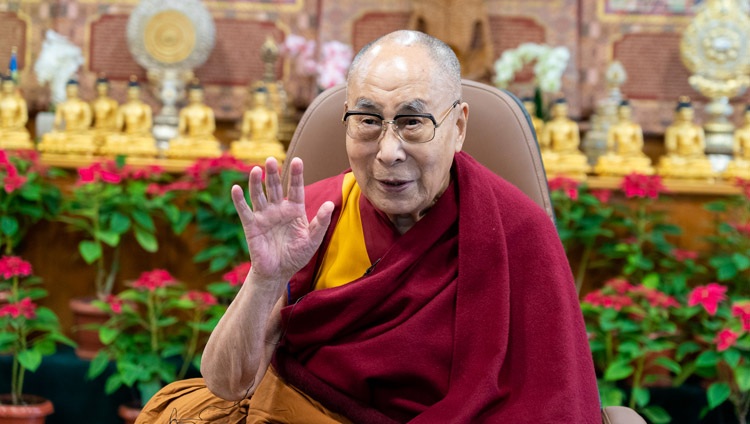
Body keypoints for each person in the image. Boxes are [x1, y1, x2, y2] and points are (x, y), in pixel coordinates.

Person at [138, 30, 600, 423]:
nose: (388, 151)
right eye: (367, 121)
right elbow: (227, 383)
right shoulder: (315, 220)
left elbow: (552, 401)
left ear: (458, 127)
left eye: (412, 122)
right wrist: (266, 279)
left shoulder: (518, 232)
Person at [657, 97, 716, 180]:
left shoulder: (697, 130)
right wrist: (679, 154)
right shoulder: (673, 130)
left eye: (688, 113)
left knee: (703, 164)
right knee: (668, 163)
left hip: (694, 158)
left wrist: (693, 153)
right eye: (684, 113)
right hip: (678, 158)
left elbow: (701, 147)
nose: (686, 115)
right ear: (677, 114)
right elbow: (670, 147)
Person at [594, 100, 654, 176]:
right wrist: (612, 154)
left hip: (632, 157)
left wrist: (632, 151)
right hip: (618, 157)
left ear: (630, 112)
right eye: (622, 111)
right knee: (604, 161)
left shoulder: (635, 128)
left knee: (643, 162)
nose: (624, 113)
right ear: (618, 112)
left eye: (626, 111)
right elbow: (610, 146)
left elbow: (639, 144)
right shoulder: (614, 128)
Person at [101, 78, 158, 157]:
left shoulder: (144, 108)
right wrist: (121, 134)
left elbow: (147, 126)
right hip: (126, 136)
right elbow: (118, 126)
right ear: (127, 92)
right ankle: (120, 163)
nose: (132, 94)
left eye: (134, 92)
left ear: (139, 92)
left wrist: (138, 134)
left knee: (149, 142)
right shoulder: (123, 108)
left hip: (139, 137)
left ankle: (137, 159)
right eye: (131, 92)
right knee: (112, 140)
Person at [164, 80, 221, 159]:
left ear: (202, 95)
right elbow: (182, 129)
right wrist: (182, 137)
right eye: (193, 94)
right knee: (176, 143)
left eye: (197, 94)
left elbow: (211, 127)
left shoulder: (207, 111)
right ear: (189, 95)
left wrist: (201, 135)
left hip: (202, 139)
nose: (195, 96)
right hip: (189, 139)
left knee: (212, 144)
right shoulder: (185, 111)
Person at [37, 79, 96, 155]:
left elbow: (87, 121)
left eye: (73, 88)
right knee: (47, 138)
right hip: (66, 132)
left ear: (77, 90)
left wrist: (80, 129)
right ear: (66, 89)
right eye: (69, 88)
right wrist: (55, 130)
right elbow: (57, 122)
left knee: (89, 139)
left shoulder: (83, 105)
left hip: (79, 134)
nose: (71, 91)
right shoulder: (62, 106)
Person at [230, 86, 287, 163]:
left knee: (275, 148)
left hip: (266, 143)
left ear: (266, 99)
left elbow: (273, 132)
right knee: (236, 146)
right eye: (257, 97)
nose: (259, 99)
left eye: (262, 97)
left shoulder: (271, 114)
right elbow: (245, 132)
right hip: (252, 142)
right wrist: (244, 140)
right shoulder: (249, 114)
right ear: (253, 98)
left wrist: (265, 140)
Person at [540, 98, 590, 178]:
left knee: (580, 159)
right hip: (554, 155)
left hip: (568, 154)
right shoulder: (550, 125)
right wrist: (548, 150)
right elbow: (545, 142)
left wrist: (567, 149)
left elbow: (575, 142)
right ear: (554, 111)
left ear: (566, 110)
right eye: (558, 110)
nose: (560, 112)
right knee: (544, 158)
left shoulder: (572, 125)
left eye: (563, 110)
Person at [0, 75, 33, 150]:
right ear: (2, 86)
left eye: (9, 85)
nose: (7, 87)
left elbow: (23, 117)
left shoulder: (19, 101)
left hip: (15, 129)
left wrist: (15, 126)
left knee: (24, 137)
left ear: (13, 86)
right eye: (6, 85)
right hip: (2, 128)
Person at [90, 76, 119, 146]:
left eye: (104, 86)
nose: (102, 89)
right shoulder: (93, 104)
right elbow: (90, 122)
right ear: (96, 88)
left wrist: (109, 130)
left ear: (108, 88)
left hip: (109, 131)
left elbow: (115, 122)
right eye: (100, 86)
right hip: (95, 131)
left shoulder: (112, 104)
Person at [724, 104, 750, 180]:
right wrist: (740, 161)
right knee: (732, 166)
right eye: (748, 116)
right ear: (744, 117)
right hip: (744, 162)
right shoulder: (740, 132)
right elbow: (736, 151)